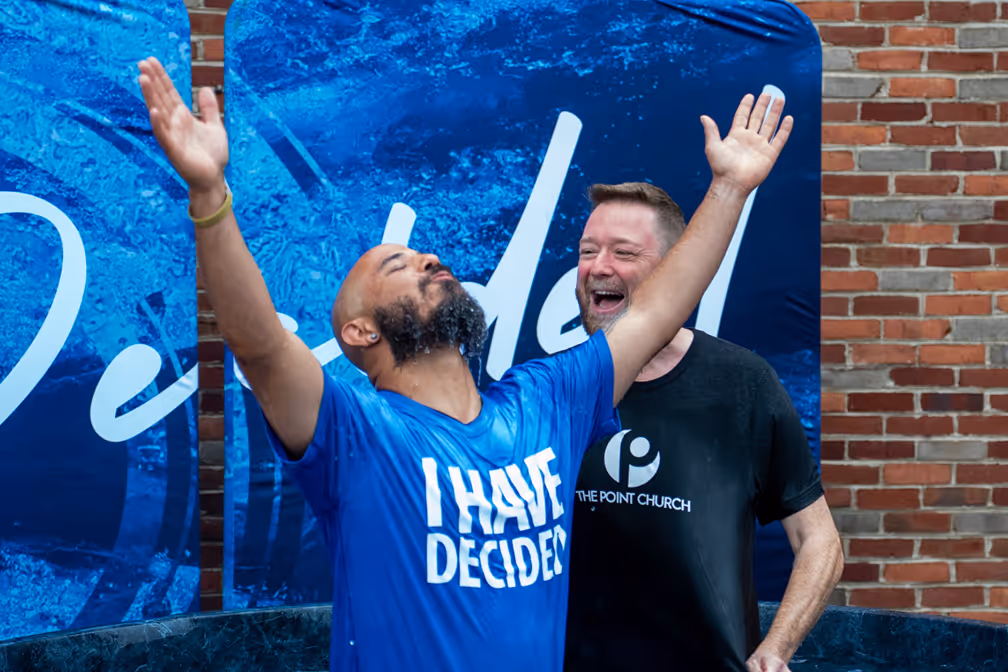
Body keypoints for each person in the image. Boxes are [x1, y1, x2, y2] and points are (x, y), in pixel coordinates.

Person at [136, 55, 793, 672]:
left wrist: (731, 187)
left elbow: (654, 312)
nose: (428, 261)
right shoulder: (355, 433)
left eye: (428, 258)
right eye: (398, 266)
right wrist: (210, 195)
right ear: (360, 332)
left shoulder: (547, 401)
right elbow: (260, 345)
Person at [563, 181, 844, 672]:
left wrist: (776, 650)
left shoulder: (743, 384)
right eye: (588, 251)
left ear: (677, 271)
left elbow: (819, 540)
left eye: (622, 252)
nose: (598, 267)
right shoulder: (553, 390)